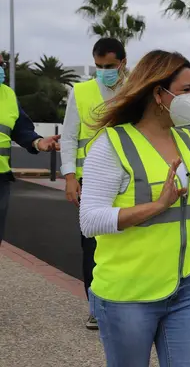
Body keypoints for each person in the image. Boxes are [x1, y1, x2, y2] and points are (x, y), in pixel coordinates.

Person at [79, 50, 190, 367]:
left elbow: (186, 210)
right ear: (158, 93)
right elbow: (90, 220)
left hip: (185, 287)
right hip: (129, 294)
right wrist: (156, 206)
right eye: (186, 90)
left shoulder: (185, 140)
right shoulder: (112, 144)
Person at [60, 37, 128, 330]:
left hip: (129, 178)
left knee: (127, 242)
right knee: (92, 245)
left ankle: (127, 303)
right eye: (99, 66)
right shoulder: (82, 91)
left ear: (123, 62)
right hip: (91, 180)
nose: (103, 71)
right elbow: (69, 136)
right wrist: (69, 178)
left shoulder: (137, 90)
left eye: (109, 66)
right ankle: (96, 307)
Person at [0, 54, 60, 245]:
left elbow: (21, 128)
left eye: (1, 64)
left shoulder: (7, 94)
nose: (1, 69)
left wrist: (37, 142)